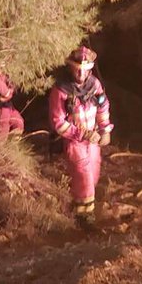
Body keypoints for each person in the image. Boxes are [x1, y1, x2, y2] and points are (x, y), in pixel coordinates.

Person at [49, 45, 113, 229]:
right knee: (83, 175)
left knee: (92, 174)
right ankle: (84, 218)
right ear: (71, 67)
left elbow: (102, 107)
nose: (81, 74)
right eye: (78, 69)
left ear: (90, 69)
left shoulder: (95, 85)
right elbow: (58, 123)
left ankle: (79, 205)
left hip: (92, 141)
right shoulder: (60, 91)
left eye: (85, 70)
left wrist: (105, 130)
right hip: (74, 141)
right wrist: (82, 133)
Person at [0, 64, 25, 140]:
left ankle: (13, 143)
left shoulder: (5, 76)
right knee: (3, 127)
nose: (0, 70)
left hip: (8, 106)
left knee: (19, 122)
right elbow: (7, 94)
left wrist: (9, 92)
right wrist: (7, 93)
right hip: (0, 107)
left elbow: (11, 89)